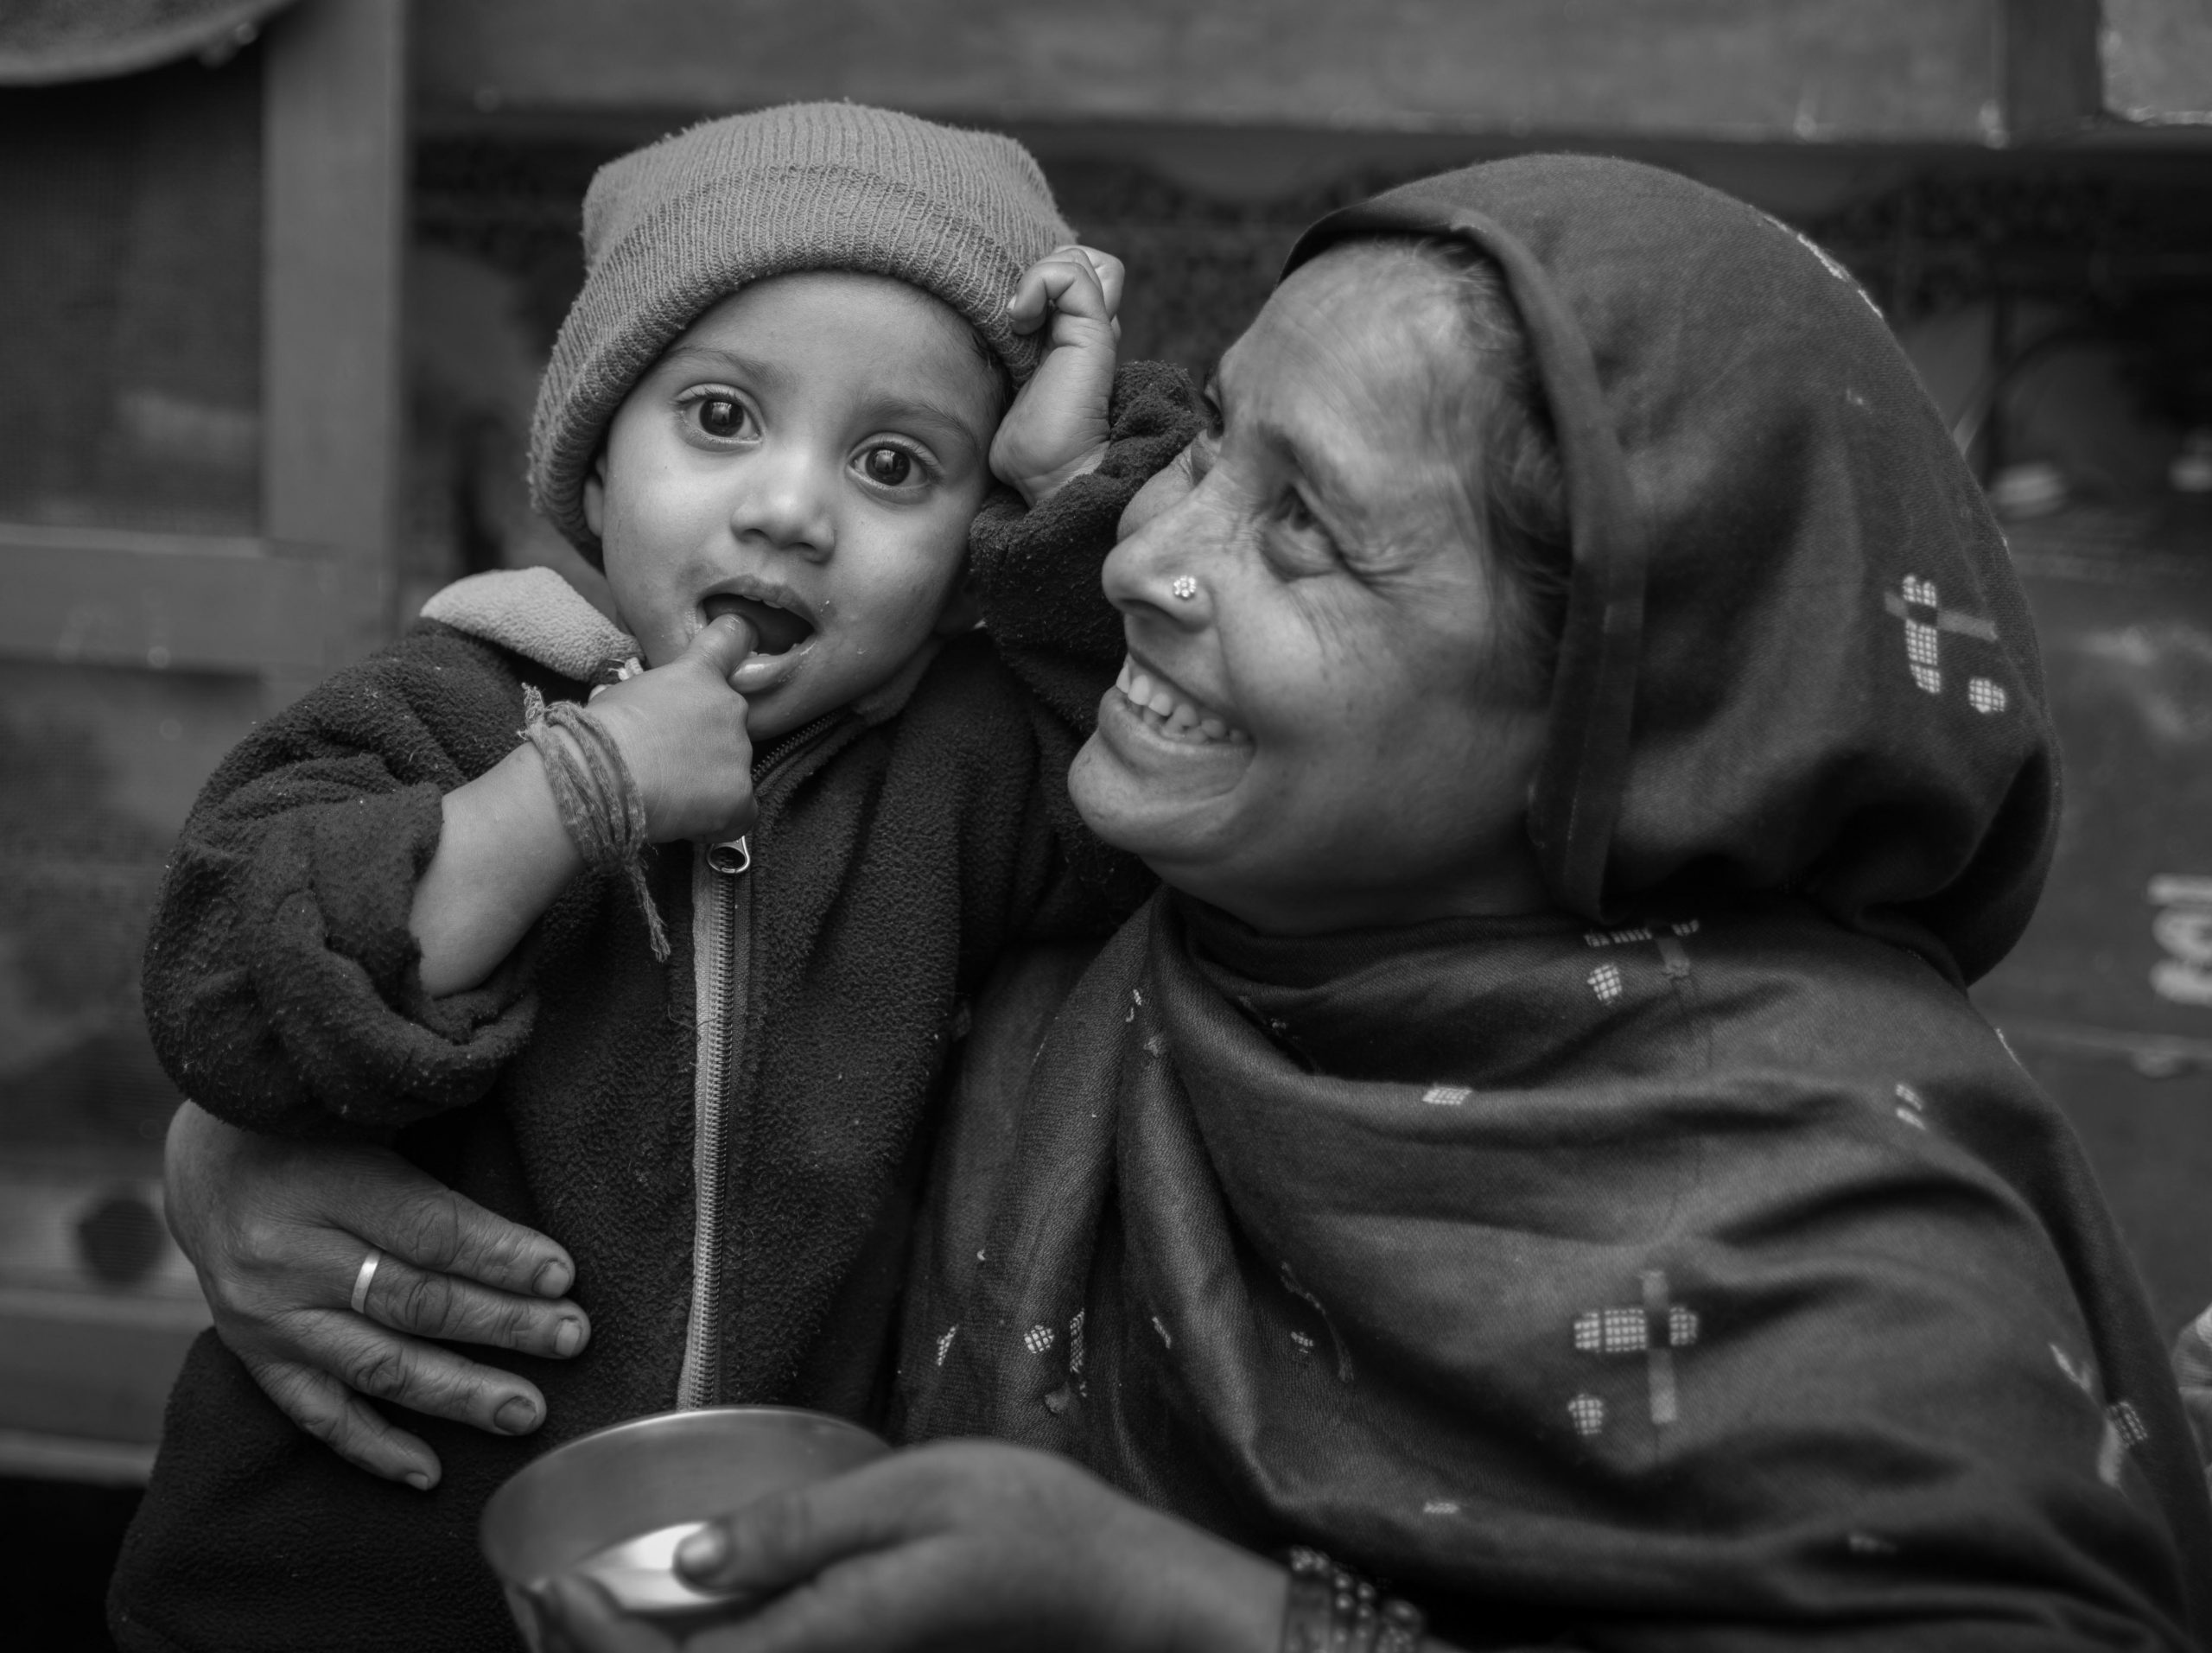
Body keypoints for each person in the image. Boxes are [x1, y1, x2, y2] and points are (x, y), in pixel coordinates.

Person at [516, 156, 2210, 1650]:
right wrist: (282, 1147)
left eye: (1302, 530)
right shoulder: (1108, 915)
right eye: (1210, 452)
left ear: (1601, 727)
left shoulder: (1834, 1265)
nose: (1141, 560)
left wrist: (1186, 1614)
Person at [107, 102, 1192, 1653]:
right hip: (319, 1591)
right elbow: (226, 988)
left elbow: (1143, 761)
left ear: (972, 547)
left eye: (896, 464)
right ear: (597, 472)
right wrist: (578, 788)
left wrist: (1075, 473)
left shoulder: (956, 781)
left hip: (735, 1602)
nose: (790, 507)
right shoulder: (444, 712)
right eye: (722, 419)